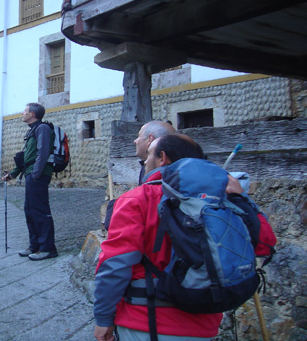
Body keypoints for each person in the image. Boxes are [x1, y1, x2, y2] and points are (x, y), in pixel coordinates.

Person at [94, 135, 222, 341]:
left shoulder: (137, 199)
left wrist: (103, 318)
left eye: (148, 155)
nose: (145, 162)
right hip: (205, 321)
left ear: (162, 158)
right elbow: (264, 244)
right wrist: (240, 196)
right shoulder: (222, 197)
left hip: (148, 321)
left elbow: (115, 265)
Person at [1, 103, 58, 261]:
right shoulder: (33, 130)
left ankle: (48, 248)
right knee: (30, 211)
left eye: (25, 111)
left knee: (40, 211)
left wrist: (35, 174)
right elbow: (26, 157)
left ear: (32, 114)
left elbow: (43, 152)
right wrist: (12, 174)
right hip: (31, 174)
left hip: (37, 176)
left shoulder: (43, 128)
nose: (22, 113)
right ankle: (35, 246)